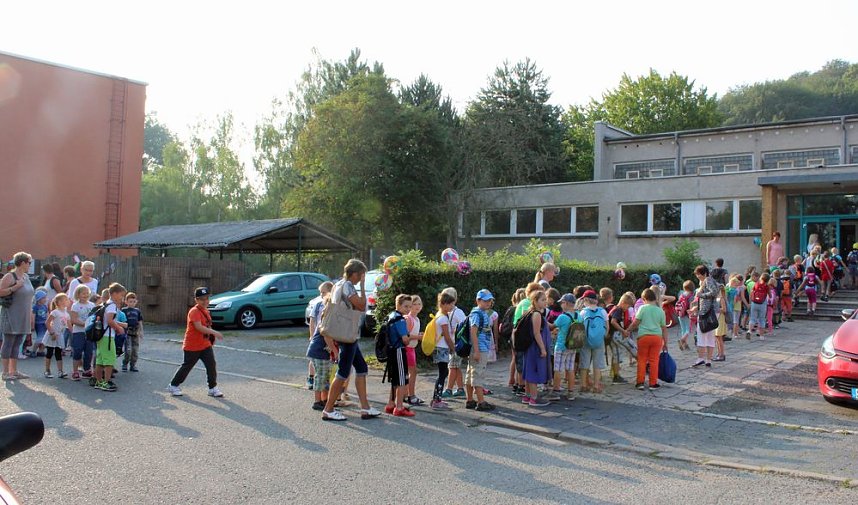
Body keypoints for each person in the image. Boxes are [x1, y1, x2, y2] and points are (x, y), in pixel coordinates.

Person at [320, 260, 381, 421]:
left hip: (347, 334)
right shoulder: (348, 285)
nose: (363, 278)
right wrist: (361, 286)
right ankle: (328, 409)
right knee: (343, 372)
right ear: (356, 274)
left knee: (361, 368)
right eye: (362, 275)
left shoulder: (339, 283)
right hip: (346, 335)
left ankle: (365, 407)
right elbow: (361, 306)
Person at [167, 287, 224, 398]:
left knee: (211, 365)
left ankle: (212, 388)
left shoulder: (206, 311)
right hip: (192, 345)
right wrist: (215, 332)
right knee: (187, 366)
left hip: (204, 344)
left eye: (207, 298)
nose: (205, 301)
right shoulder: (194, 311)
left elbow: (207, 325)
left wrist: (212, 337)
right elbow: (199, 327)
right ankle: (173, 385)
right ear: (196, 300)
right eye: (202, 299)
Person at [1, 252, 35, 380]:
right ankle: (5, 372)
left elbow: (29, 296)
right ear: (22, 263)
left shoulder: (26, 276)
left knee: (17, 343)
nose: (29, 265)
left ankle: (13, 371)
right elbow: (1, 291)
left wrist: (31, 314)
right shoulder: (10, 276)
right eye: (29, 263)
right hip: (11, 314)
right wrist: (15, 287)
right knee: (8, 342)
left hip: (23, 315)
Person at [628, 288, 668, 390]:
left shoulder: (642, 308)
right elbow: (664, 328)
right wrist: (665, 343)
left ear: (644, 299)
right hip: (657, 338)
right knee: (654, 361)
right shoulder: (660, 311)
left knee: (642, 360)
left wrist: (627, 330)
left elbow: (635, 322)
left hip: (643, 337)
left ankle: (640, 382)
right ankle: (653, 383)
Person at [463, 289, 496, 412]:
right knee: (478, 374)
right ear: (478, 300)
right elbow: (473, 332)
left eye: (490, 300)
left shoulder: (478, 313)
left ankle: (470, 400)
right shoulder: (477, 314)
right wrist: (476, 350)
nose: (488, 303)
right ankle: (481, 402)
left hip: (478, 348)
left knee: (470, 373)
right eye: (485, 300)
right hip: (479, 349)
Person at [383, 294, 415, 417]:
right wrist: (411, 337)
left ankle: (391, 404)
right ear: (398, 305)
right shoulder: (400, 320)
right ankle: (399, 407)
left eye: (409, 307)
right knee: (402, 380)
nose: (408, 309)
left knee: (394, 379)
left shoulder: (391, 316)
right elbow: (405, 339)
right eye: (405, 306)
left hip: (390, 351)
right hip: (398, 350)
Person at [305, 281, 334, 411]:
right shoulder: (326, 320)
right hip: (318, 350)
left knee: (325, 377)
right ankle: (317, 401)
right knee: (321, 377)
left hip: (321, 350)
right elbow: (326, 336)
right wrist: (334, 350)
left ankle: (324, 400)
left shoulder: (328, 316)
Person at [94, 283, 127, 392]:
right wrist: (119, 328)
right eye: (121, 295)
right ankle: (106, 382)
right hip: (107, 336)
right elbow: (109, 320)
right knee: (109, 360)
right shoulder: (112, 305)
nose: (122, 298)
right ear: (114, 294)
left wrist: (118, 324)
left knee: (100, 360)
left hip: (101, 336)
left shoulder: (106, 304)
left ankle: (98, 381)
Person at [521, 290, 551, 407]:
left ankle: (528, 395)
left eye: (545, 299)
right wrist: (543, 348)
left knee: (529, 370)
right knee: (533, 371)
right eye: (542, 300)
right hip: (535, 347)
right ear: (535, 301)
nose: (545, 302)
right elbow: (536, 333)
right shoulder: (537, 314)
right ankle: (534, 397)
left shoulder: (530, 312)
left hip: (530, 347)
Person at [578, 290, 608, 394]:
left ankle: (583, 385)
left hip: (586, 341)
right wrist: (601, 336)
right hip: (599, 341)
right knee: (597, 364)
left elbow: (579, 327)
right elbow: (607, 327)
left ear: (586, 300)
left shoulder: (583, 312)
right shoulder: (602, 311)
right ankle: (596, 386)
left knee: (584, 363)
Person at [430, 291, 456, 411]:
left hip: (440, 348)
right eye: (451, 304)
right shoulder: (443, 319)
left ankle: (437, 398)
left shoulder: (440, 315)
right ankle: (436, 400)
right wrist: (453, 347)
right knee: (442, 373)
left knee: (443, 373)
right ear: (444, 304)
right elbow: (446, 336)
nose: (452, 307)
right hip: (442, 348)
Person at [442, 287, 467, 399]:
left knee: (452, 367)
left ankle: (449, 389)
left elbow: (465, 325)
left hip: (457, 345)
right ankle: (461, 388)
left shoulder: (458, 312)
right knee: (456, 367)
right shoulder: (448, 312)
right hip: (452, 343)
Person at [693, 265, 719, 367]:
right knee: (709, 335)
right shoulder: (707, 280)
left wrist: (701, 295)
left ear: (703, 273)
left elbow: (714, 292)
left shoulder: (707, 280)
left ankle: (701, 358)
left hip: (707, 311)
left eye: (698, 274)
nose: (697, 276)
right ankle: (708, 360)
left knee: (702, 333)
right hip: (708, 310)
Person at [552, 293, 577, 399]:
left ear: (566, 303)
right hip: (573, 345)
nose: (561, 305)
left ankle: (556, 391)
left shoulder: (562, 317)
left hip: (562, 345)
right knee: (570, 369)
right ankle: (571, 392)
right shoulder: (578, 315)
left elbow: (552, 326)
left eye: (562, 303)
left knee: (558, 369)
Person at [69, 285, 94, 381]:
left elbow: (93, 317)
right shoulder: (75, 306)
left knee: (89, 352)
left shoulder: (91, 305)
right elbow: (73, 319)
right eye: (83, 293)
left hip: (89, 332)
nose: (85, 295)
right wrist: (84, 324)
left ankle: (87, 369)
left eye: (87, 293)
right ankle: (75, 371)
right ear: (78, 295)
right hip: (78, 331)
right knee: (78, 350)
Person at [43, 293, 70, 378]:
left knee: (59, 353)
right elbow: (47, 323)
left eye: (66, 300)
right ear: (57, 302)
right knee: (49, 352)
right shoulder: (55, 312)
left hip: (60, 335)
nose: (64, 302)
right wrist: (52, 332)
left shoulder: (67, 314)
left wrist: (73, 333)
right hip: (52, 335)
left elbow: (69, 325)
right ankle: (47, 370)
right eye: (62, 300)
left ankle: (60, 371)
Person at [404, 295, 424, 406]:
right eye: (414, 304)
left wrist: (419, 335)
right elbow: (406, 336)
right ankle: (411, 395)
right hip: (407, 349)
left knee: (410, 373)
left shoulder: (417, 319)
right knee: (412, 372)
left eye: (419, 304)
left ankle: (406, 394)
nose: (417, 306)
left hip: (412, 349)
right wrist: (418, 337)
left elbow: (413, 334)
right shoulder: (408, 318)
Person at [120, 292, 144, 372]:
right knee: (128, 350)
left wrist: (141, 331)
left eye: (134, 301)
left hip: (135, 332)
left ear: (136, 302)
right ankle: (125, 363)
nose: (132, 303)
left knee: (135, 350)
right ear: (126, 302)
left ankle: (133, 365)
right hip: (127, 332)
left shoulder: (137, 311)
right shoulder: (124, 310)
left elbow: (140, 321)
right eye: (130, 301)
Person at [747, 272, 771, 340]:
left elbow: (751, 293)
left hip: (754, 303)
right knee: (762, 319)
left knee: (752, 318)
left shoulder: (756, 284)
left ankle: (749, 331)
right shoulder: (767, 286)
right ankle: (761, 335)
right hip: (762, 304)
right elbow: (770, 295)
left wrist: (750, 301)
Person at [28, 288, 48, 357]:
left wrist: (49, 323)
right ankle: (33, 351)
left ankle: (41, 350)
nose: (45, 299)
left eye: (45, 298)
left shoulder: (45, 306)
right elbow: (33, 317)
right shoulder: (35, 307)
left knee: (45, 338)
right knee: (40, 338)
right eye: (43, 298)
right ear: (39, 299)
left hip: (45, 324)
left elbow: (47, 315)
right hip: (39, 324)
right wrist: (32, 325)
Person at [676, 281, 694, 350]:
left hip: (680, 314)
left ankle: (685, 345)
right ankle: (682, 340)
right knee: (689, 330)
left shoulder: (681, 294)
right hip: (687, 314)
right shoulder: (691, 296)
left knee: (683, 330)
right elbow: (691, 305)